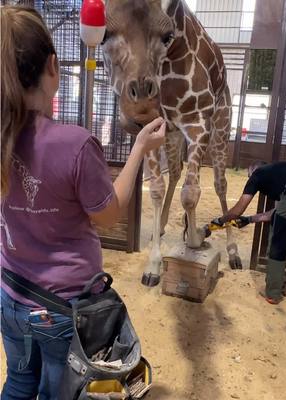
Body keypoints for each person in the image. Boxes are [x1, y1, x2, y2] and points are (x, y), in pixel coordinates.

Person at [0, 5, 166, 400]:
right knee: (61, 392)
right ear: (52, 66)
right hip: (62, 309)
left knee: (20, 382)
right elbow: (108, 215)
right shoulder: (75, 145)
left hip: (9, 294)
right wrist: (139, 149)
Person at [211, 160, 286, 305]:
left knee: (277, 247)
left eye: (248, 175)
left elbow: (239, 209)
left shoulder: (258, 174)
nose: (250, 178)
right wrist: (249, 220)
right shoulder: (281, 173)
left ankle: (273, 294)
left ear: (252, 169)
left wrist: (220, 220)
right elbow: (276, 213)